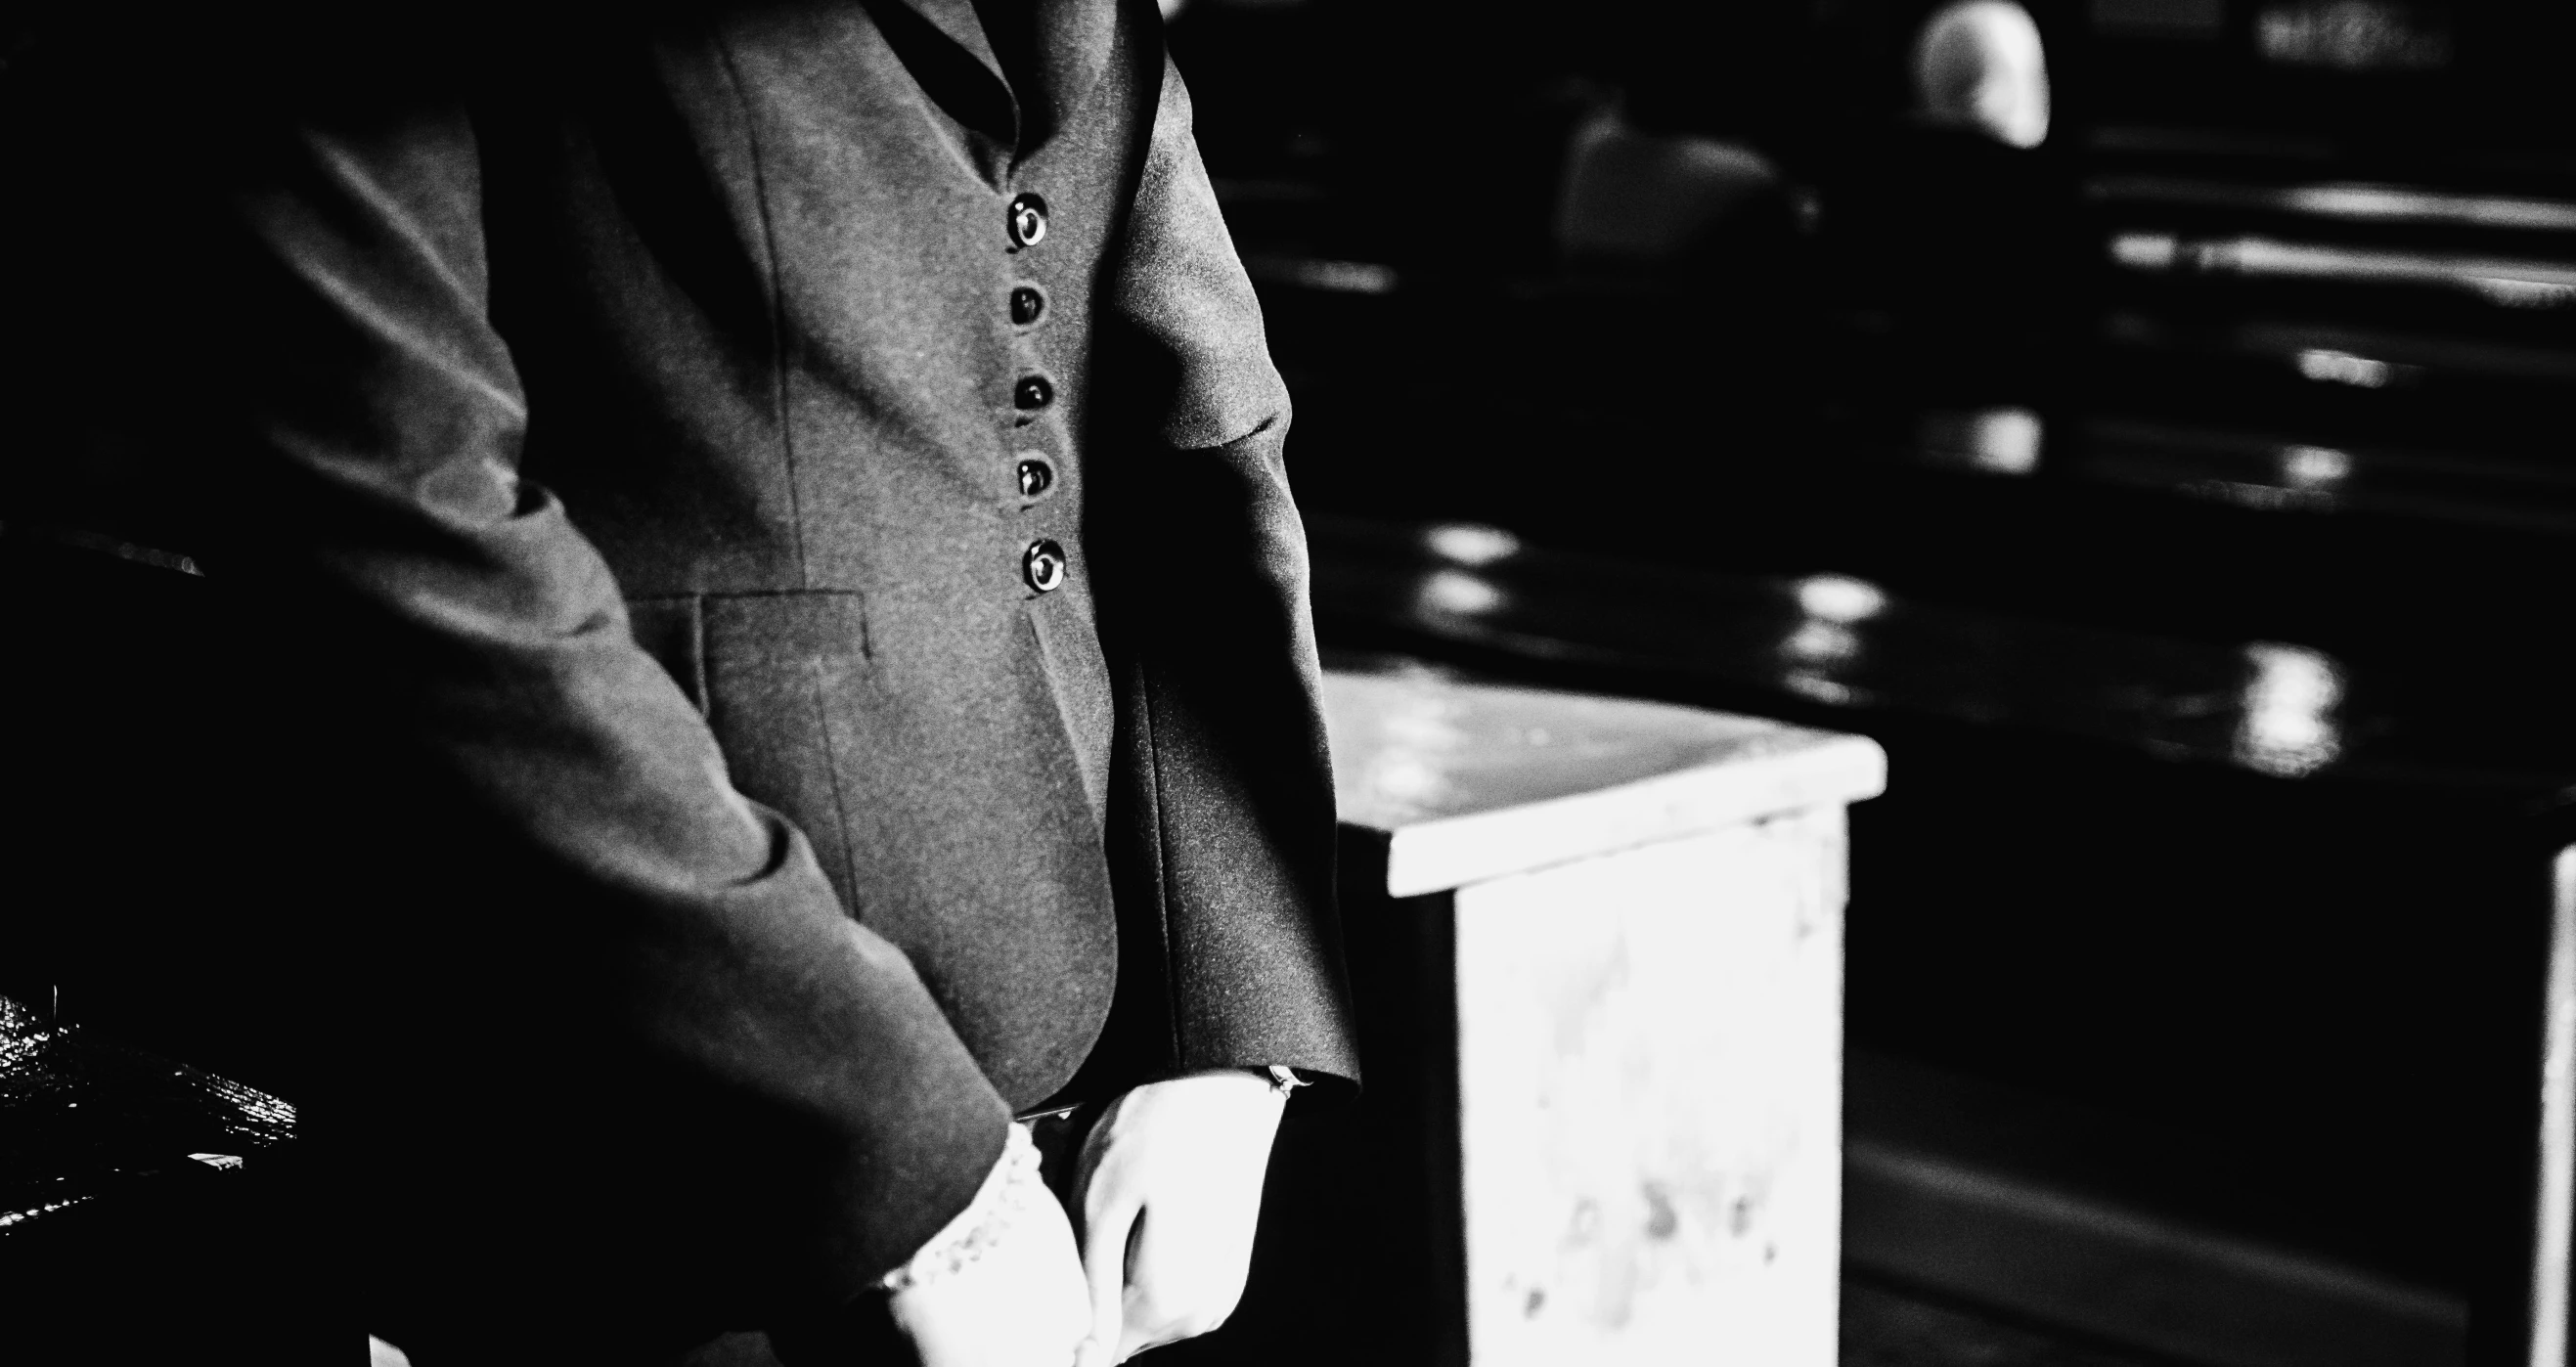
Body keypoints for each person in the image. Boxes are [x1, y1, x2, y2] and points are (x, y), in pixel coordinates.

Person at [0, 1, 1357, 1363]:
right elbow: (385, 509)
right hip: (621, 1114)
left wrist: (1228, 1040)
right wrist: (900, 1163)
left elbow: (1201, 454)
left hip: (1088, 1111)